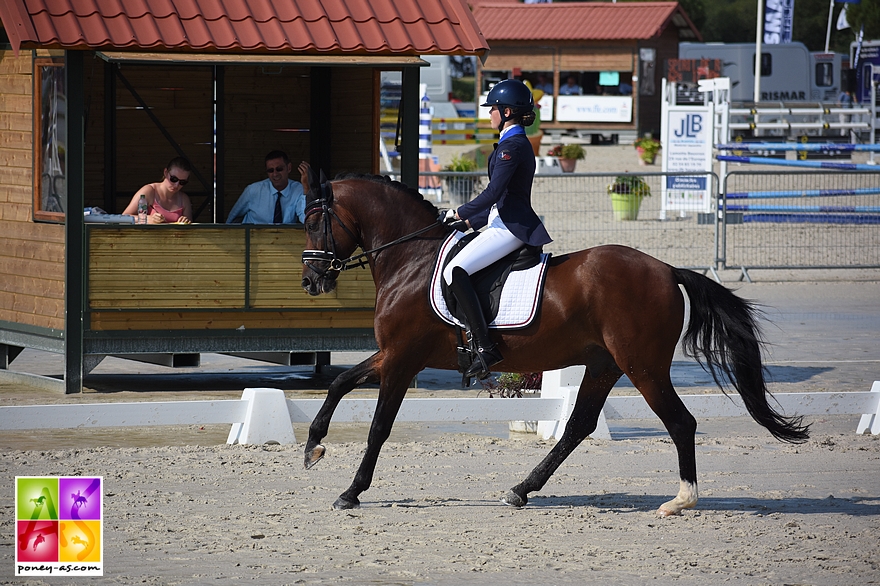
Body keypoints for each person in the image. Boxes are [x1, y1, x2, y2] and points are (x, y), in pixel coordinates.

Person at [440, 79, 553, 379]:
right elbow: (498, 202)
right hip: (500, 220)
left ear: (506, 112)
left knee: (455, 271)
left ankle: (485, 346)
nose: (489, 114)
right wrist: (466, 222)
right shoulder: (511, 143)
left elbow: (493, 194)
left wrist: (458, 210)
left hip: (512, 228)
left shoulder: (512, 147)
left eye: (492, 109)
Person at [226, 151, 310, 224]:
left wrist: (306, 187)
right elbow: (232, 219)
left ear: (289, 168)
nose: (275, 174)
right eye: (270, 170)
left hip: (283, 240)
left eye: (279, 169)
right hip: (254, 240)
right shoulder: (253, 190)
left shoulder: (298, 189)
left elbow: (305, 219)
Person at [123, 156, 193, 224]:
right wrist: (147, 219)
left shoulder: (184, 199)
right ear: (165, 172)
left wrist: (186, 221)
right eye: (173, 179)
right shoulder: (149, 191)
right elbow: (124, 217)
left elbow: (191, 230)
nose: (176, 185)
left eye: (182, 182)